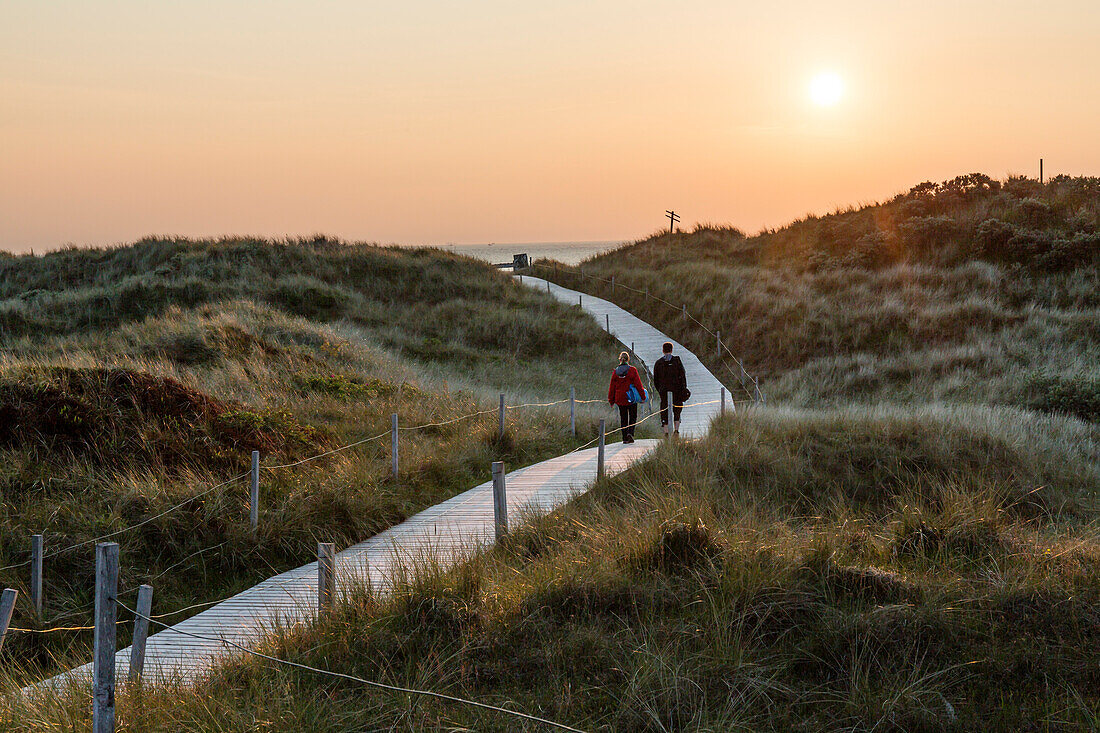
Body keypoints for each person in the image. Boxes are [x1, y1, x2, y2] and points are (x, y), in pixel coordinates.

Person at [607, 351, 645, 444]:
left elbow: (612, 387)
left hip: (620, 398)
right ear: (628, 359)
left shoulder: (615, 372)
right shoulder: (632, 370)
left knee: (623, 417)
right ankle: (630, 433)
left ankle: (624, 438)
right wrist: (642, 396)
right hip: (631, 397)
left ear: (620, 359)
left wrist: (611, 400)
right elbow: (638, 385)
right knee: (633, 416)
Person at [653, 341, 687, 436]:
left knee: (664, 411)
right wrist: (683, 388)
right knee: (677, 410)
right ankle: (676, 431)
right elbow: (683, 375)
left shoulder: (658, 363)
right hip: (677, 390)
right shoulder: (677, 361)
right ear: (672, 350)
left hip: (664, 391)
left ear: (663, 351)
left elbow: (656, 379)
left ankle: (666, 432)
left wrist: (660, 390)